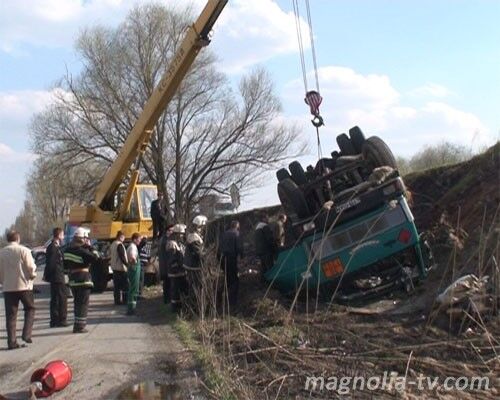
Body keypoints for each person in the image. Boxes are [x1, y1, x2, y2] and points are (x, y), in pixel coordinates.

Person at [0, 231, 37, 349]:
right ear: (18, 238)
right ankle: (26, 334)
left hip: (8, 287)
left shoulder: (1, 253)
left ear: (7, 239)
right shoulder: (24, 250)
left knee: (11, 315)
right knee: (30, 308)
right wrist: (32, 275)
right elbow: (31, 266)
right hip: (24, 285)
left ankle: (11, 341)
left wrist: (3, 281)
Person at [63, 227, 99, 333]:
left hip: (73, 279)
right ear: (82, 238)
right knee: (83, 304)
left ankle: (76, 324)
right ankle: (80, 326)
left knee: (77, 303)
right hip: (83, 279)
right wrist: (90, 247)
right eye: (86, 238)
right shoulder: (82, 250)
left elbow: (65, 267)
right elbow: (96, 257)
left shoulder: (67, 250)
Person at [44, 227, 68, 327]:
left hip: (57, 275)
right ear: (58, 235)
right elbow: (51, 263)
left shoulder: (56, 246)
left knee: (56, 298)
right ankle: (61, 320)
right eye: (62, 234)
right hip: (57, 276)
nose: (64, 236)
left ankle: (55, 320)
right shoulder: (53, 247)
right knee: (61, 298)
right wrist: (49, 275)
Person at [183, 215, 207, 308]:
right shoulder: (194, 237)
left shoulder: (194, 236)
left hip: (192, 266)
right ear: (199, 226)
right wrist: (207, 255)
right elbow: (199, 253)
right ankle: (195, 307)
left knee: (194, 287)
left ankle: (194, 306)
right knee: (196, 287)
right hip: (194, 267)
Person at [218, 220, 243, 308]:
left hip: (222, 259)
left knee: (227, 277)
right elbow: (239, 247)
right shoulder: (236, 234)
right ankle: (233, 301)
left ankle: (219, 296)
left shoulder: (224, 234)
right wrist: (242, 257)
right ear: (237, 226)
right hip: (231, 259)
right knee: (235, 279)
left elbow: (219, 247)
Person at [166, 224, 186, 313]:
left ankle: (180, 307)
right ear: (176, 234)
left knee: (181, 289)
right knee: (175, 290)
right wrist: (178, 266)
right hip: (175, 272)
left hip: (180, 271)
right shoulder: (172, 244)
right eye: (181, 234)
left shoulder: (179, 243)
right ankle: (174, 308)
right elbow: (172, 259)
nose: (182, 235)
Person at [254, 213, 276, 278]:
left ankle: (263, 280)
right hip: (266, 250)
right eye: (267, 217)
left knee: (263, 267)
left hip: (260, 250)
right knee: (270, 266)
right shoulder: (264, 226)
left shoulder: (257, 227)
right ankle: (272, 280)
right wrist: (274, 247)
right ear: (263, 219)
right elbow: (269, 239)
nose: (268, 219)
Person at [109, 231, 128, 305]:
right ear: (120, 237)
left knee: (116, 287)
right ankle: (125, 300)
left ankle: (117, 301)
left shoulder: (113, 244)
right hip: (121, 268)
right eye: (123, 237)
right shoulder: (119, 245)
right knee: (125, 286)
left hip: (114, 268)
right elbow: (122, 256)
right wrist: (127, 265)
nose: (124, 239)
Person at [126, 233, 142, 315]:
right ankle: (131, 309)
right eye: (139, 239)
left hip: (133, 268)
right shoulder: (132, 247)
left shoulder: (132, 246)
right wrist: (135, 261)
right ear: (135, 239)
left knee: (133, 288)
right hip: (134, 269)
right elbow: (132, 256)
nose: (140, 241)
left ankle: (132, 308)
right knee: (133, 289)